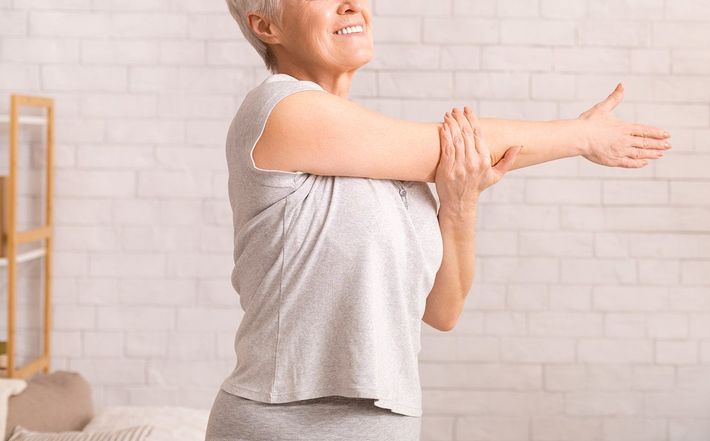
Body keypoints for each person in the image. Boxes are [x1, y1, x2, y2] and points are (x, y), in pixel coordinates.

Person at [206, 1, 672, 440]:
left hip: (386, 423)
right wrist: (582, 136)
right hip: (281, 422)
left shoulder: (393, 167)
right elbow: (453, 146)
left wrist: (460, 202)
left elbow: (442, 311)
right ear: (266, 26)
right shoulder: (279, 108)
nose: (351, 4)